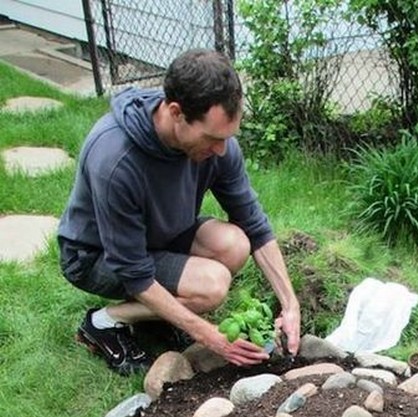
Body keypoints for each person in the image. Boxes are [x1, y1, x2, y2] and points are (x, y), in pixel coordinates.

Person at [58, 48, 301, 375]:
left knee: (235, 243)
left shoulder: (219, 145)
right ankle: (104, 322)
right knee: (212, 286)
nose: (221, 149)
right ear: (175, 112)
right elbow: (134, 271)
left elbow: (254, 225)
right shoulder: (115, 159)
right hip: (95, 255)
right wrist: (211, 336)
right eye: (212, 138)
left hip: (156, 236)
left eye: (227, 137)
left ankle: (157, 317)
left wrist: (290, 303)